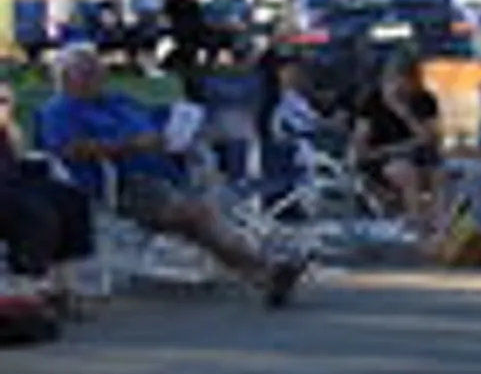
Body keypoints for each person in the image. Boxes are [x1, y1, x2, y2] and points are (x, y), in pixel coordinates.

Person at [38, 47, 303, 306]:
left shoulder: (117, 100)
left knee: (209, 208)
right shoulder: (60, 110)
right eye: (87, 73)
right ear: (66, 78)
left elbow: (156, 120)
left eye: (98, 71)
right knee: (198, 215)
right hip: (122, 185)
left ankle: (262, 272)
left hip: (166, 171)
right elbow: (69, 149)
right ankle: (264, 270)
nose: (97, 77)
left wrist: (178, 131)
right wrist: (131, 145)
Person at [0, 79, 92, 299]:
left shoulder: (7, 130)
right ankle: (27, 284)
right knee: (31, 209)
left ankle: (63, 283)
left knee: (70, 198)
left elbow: (18, 157)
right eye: (2, 101)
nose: (6, 107)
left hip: (13, 182)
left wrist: (10, 129)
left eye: (8, 102)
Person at [352, 50, 443, 236]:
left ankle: (437, 222)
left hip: (419, 156)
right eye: (394, 81)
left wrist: (404, 113)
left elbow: (431, 137)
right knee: (406, 171)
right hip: (382, 159)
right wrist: (400, 147)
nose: (401, 88)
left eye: (407, 83)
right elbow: (361, 148)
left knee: (440, 173)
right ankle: (417, 224)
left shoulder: (424, 100)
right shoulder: (372, 102)